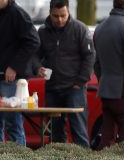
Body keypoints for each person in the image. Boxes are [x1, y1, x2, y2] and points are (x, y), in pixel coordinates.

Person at [33, 0, 94, 148]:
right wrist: (37, 68)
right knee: (55, 133)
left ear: (68, 12)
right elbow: (34, 55)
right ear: (50, 13)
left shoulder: (80, 29)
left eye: (63, 15)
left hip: (75, 88)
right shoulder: (42, 31)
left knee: (79, 131)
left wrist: (80, 81)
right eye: (55, 16)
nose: (59, 19)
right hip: (53, 88)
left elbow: (90, 56)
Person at [0, 0, 40, 145]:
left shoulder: (18, 13)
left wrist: (14, 66)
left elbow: (33, 41)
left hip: (11, 80)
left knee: (13, 125)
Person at [94, 0, 124, 149]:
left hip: (105, 88)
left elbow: (96, 64)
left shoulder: (100, 28)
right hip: (121, 89)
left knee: (107, 136)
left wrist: (103, 80)